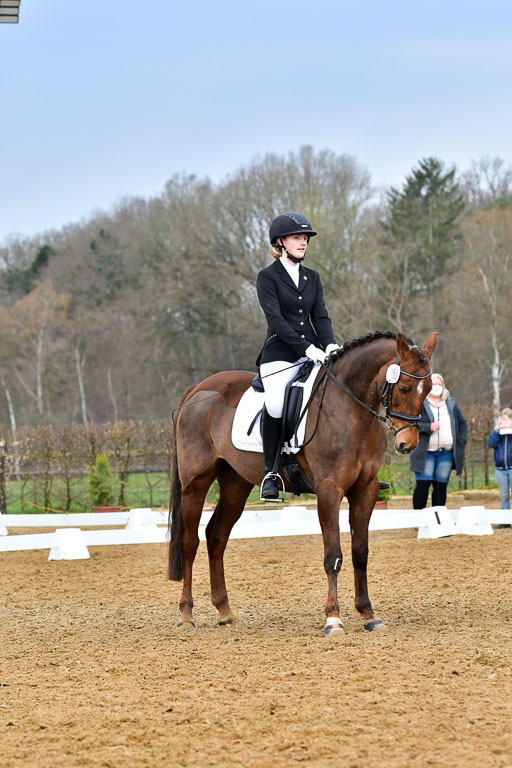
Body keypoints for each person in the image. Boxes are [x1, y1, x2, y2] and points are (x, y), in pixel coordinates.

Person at [256, 212, 341, 500]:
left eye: (305, 238)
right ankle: (270, 472)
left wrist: (329, 345)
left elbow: (321, 316)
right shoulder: (268, 277)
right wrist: (306, 349)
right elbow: (277, 321)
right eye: (297, 238)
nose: (303, 242)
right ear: (281, 242)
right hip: (279, 355)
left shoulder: (312, 277)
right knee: (276, 401)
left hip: (315, 353)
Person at [409, 373, 467, 509]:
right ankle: (419, 519)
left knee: (441, 486)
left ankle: (438, 520)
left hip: (446, 453)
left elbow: (462, 424)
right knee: (423, 484)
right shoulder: (419, 403)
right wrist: (428, 427)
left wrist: (460, 440)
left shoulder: (451, 404)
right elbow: (412, 424)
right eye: (434, 383)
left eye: (439, 384)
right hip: (426, 452)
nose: (437, 386)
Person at [488, 407, 512, 523]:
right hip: (500, 469)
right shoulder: (497, 434)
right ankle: (505, 520)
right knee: (503, 494)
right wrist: (497, 430)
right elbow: (491, 443)